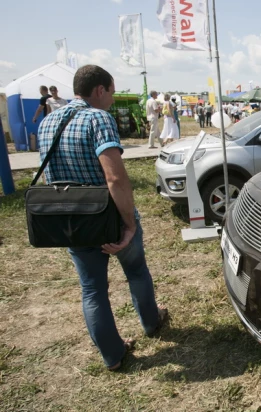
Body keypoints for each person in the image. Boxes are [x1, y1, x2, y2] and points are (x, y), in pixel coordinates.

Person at [36, 65, 167, 371]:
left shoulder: (47, 122)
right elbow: (115, 178)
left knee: (92, 289)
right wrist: (129, 224)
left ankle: (113, 355)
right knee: (136, 270)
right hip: (109, 219)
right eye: (111, 91)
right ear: (99, 90)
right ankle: (151, 322)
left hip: (70, 221)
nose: (111, 98)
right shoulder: (98, 118)